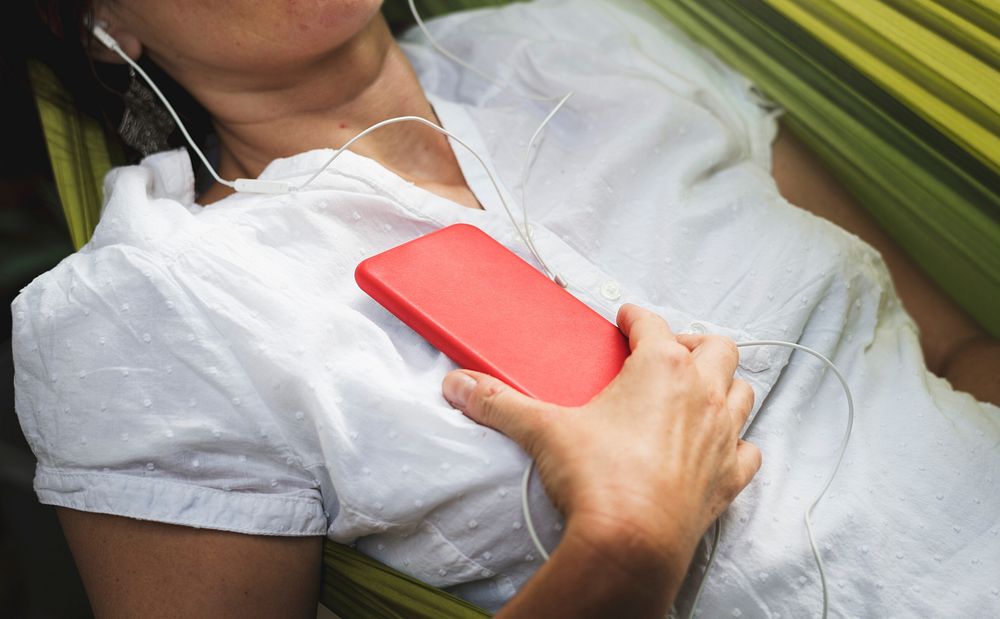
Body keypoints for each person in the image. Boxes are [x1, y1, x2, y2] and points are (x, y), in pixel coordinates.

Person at [12, 0, 999, 617]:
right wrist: (625, 543)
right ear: (105, 26)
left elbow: (954, 347)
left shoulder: (583, 41)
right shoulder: (146, 307)